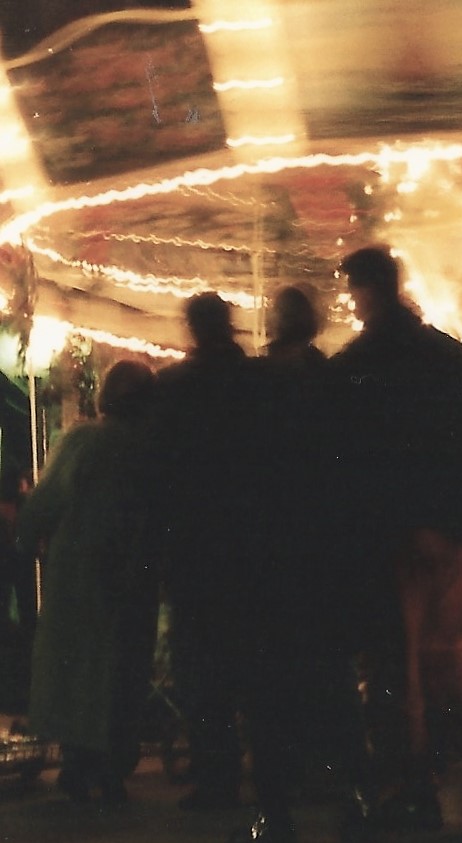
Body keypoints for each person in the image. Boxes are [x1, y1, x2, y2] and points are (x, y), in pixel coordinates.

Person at [331, 245, 462, 828]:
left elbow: (348, 456)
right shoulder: (447, 354)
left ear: (366, 291)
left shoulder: (359, 364)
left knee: (398, 664)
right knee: (447, 653)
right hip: (452, 533)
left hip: (394, 534)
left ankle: (412, 783)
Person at [230, 284, 375, 843]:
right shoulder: (334, 382)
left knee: (269, 688)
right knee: (332, 682)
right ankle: (352, 792)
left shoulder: (255, 383)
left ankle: (276, 806)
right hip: (323, 556)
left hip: (268, 556)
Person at [18, 361, 160, 803]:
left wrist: (27, 538)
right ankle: (114, 766)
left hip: (78, 574)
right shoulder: (149, 449)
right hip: (133, 573)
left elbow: (46, 501)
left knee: (80, 672)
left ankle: (80, 764)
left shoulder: (83, 440)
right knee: (123, 669)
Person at [151, 291, 259, 812]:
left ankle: (215, 770)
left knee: (201, 667)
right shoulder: (258, 384)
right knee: (251, 663)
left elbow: (159, 473)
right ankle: (267, 768)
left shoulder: (172, 389)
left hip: (193, 546)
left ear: (192, 329)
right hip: (250, 545)